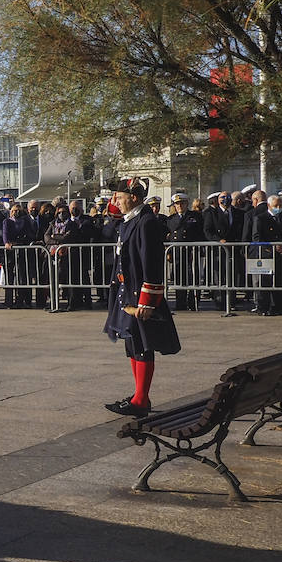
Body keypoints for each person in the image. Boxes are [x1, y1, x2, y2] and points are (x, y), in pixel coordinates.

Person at [103, 177, 181, 417]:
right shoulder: (129, 221)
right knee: (131, 344)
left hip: (140, 295)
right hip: (126, 294)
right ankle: (139, 396)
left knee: (143, 346)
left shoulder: (146, 222)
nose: (115, 200)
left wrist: (148, 300)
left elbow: (151, 263)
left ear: (134, 198)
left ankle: (140, 400)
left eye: (119, 196)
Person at [165, 193, 205, 311]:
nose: (180, 206)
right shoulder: (171, 219)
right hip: (177, 253)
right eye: (177, 204)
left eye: (182, 203)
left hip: (192, 252)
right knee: (179, 278)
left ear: (187, 204)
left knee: (194, 277)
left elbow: (200, 233)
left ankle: (193, 303)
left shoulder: (195, 217)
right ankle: (180, 303)